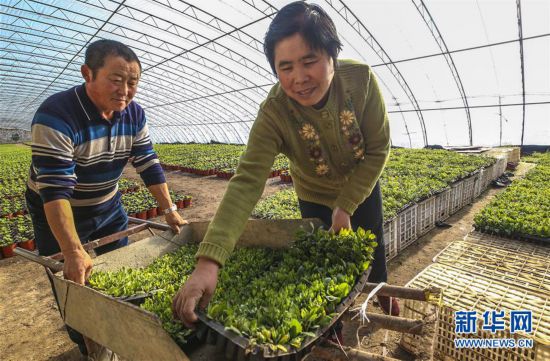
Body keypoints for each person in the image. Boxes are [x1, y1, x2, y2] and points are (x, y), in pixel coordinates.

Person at [173, 1, 398, 340]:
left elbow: (379, 148)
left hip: (362, 187)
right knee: (326, 264)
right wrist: (209, 262)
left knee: (372, 250)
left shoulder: (360, 81)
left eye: (310, 61)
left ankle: (383, 294)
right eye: (285, 67)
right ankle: (331, 328)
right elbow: (247, 181)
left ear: (331, 54)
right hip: (313, 197)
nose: (299, 78)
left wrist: (346, 204)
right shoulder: (275, 112)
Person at [25, 39, 187, 359]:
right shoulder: (56, 115)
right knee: (76, 288)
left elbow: (148, 163)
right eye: (116, 79)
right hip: (59, 212)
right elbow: (55, 190)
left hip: (109, 206)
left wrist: (169, 210)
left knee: (121, 277)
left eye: (133, 82)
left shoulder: (134, 115)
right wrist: (72, 249)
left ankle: (122, 339)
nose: (125, 90)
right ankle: (90, 344)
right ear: (88, 73)